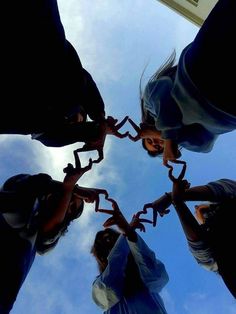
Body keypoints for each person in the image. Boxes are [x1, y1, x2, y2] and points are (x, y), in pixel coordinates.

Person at [1, 0, 129, 158]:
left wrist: (95, 127)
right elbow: (84, 83)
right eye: (78, 120)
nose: (72, 123)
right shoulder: (71, 89)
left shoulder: (41, 125)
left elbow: (51, 136)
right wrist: (99, 119)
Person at [128, 0, 236, 165]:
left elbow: (162, 92)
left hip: (200, 71)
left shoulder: (152, 102)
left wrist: (166, 134)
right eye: (158, 148)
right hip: (229, 111)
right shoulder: (189, 140)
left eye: (150, 141)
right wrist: (166, 136)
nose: (156, 143)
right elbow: (204, 144)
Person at [0, 155, 108, 313]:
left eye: (70, 207)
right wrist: (70, 188)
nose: (68, 201)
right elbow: (31, 185)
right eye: (70, 198)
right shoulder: (22, 196)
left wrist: (69, 190)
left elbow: (49, 235)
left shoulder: (36, 239)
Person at [142, 162, 236, 298]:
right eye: (195, 210)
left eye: (197, 206)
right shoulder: (214, 253)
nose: (196, 207)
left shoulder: (229, 199)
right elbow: (200, 248)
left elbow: (222, 190)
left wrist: (174, 197)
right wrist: (177, 201)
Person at [91, 198, 169, 314]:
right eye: (106, 242)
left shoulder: (149, 280)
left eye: (114, 239)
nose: (112, 243)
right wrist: (128, 232)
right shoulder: (100, 286)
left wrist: (129, 233)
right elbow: (109, 288)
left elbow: (158, 276)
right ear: (101, 257)